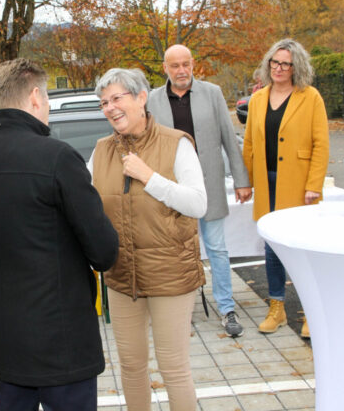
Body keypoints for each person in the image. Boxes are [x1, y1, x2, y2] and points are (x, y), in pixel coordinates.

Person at [0, 58, 119, 411]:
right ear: (36, 97)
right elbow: (103, 251)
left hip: (4, 340)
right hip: (62, 340)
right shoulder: (57, 158)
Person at [90, 68, 207, 411]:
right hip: (122, 275)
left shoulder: (176, 143)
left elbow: (198, 203)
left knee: (173, 367)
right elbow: (86, 205)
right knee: (130, 366)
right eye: (104, 103)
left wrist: (150, 177)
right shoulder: (101, 151)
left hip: (171, 274)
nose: (110, 108)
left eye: (117, 98)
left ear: (141, 97)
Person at [147, 44, 252, 338]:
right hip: (173, 191)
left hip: (209, 186)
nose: (182, 71)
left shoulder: (212, 93)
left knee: (217, 248)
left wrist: (242, 179)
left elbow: (229, 140)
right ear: (165, 68)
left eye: (186, 64)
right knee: (175, 252)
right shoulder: (153, 100)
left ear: (193, 65)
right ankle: (179, 311)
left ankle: (227, 308)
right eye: (175, 65)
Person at [242, 38, 329, 339]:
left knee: (302, 248)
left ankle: (309, 310)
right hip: (267, 183)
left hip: (299, 183)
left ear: (296, 67)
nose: (279, 68)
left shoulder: (310, 97)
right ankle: (276, 307)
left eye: (285, 64)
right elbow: (250, 144)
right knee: (272, 248)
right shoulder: (257, 100)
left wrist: (314, 185)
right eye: (274, 63)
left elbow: (321, 144)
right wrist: (247, 181)